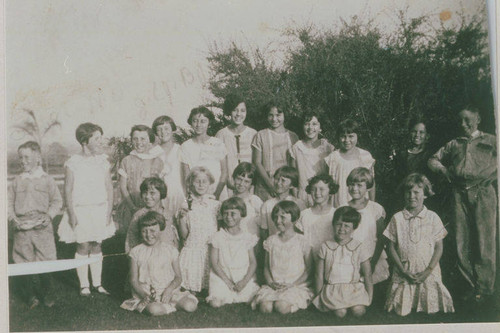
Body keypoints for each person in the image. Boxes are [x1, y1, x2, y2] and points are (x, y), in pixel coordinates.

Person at [428, 107, 497, 302]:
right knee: (461, 239)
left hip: (483, 193)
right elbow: (432, 160)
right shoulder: (454, 144)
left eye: (468, 120)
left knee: (485, 239)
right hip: (458, 193)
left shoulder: (491, 140)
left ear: (478, 119)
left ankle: (485, 289)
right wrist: (443, 170)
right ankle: (469, 286)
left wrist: (491, 176)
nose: (463, 124)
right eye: (460, 121)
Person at [384, 173, 454, 316]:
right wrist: (403, 271)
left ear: (425, 194)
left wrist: (428, 271)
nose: (411, 196)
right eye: (408, 192)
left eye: (416, 192)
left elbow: (439, 247)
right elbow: (390, 247)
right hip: (404, 270)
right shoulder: (397, 218)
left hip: (427, 270)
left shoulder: (433, 217)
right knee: (400, 307)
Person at [58, 123, 115, 296]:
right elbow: (67, 189)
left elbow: (109, 188)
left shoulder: (103, 161)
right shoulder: (73, 163)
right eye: (96, 138)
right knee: (83, 245)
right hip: (81, 210)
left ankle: (97, 284)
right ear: (84, 141)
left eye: (101, 138)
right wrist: (71, 213)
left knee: (97, 244)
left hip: (99, 208)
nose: (101, 141)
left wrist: (109, 211)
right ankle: (84, 285)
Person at [8, 141, 63, 308]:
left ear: (37, 158)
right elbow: (7, 202)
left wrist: (49, 216)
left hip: (42, 227)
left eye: (27, 157)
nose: (22, 161)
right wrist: (12, 219)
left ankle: (47, 293)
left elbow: (57, 201)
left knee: (46, 260)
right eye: (20, 158)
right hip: (22, 228)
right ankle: (31, 296)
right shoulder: (17, 181)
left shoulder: (47, 180)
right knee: (23, 262)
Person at [120, 211, 198, 315]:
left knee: (190, 306)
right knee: (155, 310)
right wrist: (144, 296)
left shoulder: (170, 250)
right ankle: (160, 306)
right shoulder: (136, 251)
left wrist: (169, 290)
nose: (148, 235)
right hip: (147, 294)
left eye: (152, 231)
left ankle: (170, 304)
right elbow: (133, 280)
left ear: (161, 230)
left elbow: (178, 277)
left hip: (168, 292)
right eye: (144, 231)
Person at [251, 201, 314, 314]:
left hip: (294, 285)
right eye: (275, 217)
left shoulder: (302, 241)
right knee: (265, 308)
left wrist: (293, 284)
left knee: (281, 307)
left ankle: (297, 303)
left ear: (294, 219)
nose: (278, 221)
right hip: (275, 284)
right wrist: (270, 283)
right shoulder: (271, 240)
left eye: (283, 217)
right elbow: (266, 267)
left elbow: (309, 269)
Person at [313, 206, 373, 318]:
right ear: (333, 224)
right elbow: (318, 275)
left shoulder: (359, 247)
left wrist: (369, 296)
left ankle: (353, 307)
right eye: (338, 224)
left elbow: (368, 274)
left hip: (354, 289)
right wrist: (318, 297)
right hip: (332, 289)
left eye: (346, 226)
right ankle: (338, 309)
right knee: (340, 313)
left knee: (358, 311)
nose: (341, 229)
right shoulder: (326, 246)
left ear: (354, 228)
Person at [206, 197, 259, 307]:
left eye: (233, 213)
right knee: (215, 303)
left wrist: (244, 281)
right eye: (225, 213)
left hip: (242, 276)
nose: (228, 217)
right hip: (222, 277)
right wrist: (227, 281)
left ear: (242, 214)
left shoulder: (247, 237)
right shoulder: (218, 237)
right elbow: (214, 263)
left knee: (256, 299)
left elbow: (253, 262)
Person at [178, 167, 220, 294]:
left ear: (210, 184)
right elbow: (184, 235)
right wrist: (181, 218)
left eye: (204, 181)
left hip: (210, 248)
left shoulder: (215, 205)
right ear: (190, 183)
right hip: (193, 248)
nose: (201, 184)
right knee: (190, 290)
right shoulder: (186, 205)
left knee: (212, 289)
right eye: (197, 181)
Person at [117, 125, 164, 234]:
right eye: (135, 139)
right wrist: (132, 207)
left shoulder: (157, 161)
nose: (139, 142)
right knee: (133, 235)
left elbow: (160, 189)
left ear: (150, 141)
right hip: (131, 206)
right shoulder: (126, 161)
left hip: (152, 207)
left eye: (143, 139)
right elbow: (123, 187)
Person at [347, 167, 389, 284]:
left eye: (359, 185)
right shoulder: (342, 208)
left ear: (368, 187)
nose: (354, 188)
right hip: (349, 259)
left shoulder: (375, 208)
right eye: (351, 184)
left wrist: (372, 262)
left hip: (372, 256)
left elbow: (381, 238)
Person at [252, 102, 299, 201]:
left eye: (278, 115)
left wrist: (289, 185)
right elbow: (257, 162)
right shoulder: (261, 135)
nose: (274, 119)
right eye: (271, 115)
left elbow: (293, 164)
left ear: (284, 115)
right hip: (265, 186)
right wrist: (270, 184)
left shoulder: (293, 136)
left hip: (285, 187)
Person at [324, 119, 375, 208]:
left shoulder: (365, 156)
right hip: (339, 202)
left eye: (351, 136)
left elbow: (372, 183)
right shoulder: (333, 157)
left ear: (357, 136)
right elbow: (328, 184)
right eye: (343, 136)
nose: (347, 140)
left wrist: (372, 205)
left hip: (361, 203)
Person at [180, 106, 228, 199]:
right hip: (196, 195)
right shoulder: (185, 146)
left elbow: (224, 172)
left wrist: (216, 195)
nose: (198, 125)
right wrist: (193, 197)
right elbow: (187, 177)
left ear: (209, 123)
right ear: (191, 123)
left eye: (203, 121)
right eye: (195, 121)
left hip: (218, 193)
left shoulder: (218, 143)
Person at [288, 113, 334, 206]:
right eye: (306, 124)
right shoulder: (296, 147)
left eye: (314, 124)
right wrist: (295, 192)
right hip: (302, 195)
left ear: (320, 127)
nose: (310, 127)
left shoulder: (327, 147)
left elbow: (332, 173)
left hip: (322, 194)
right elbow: (292, 173)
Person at [216, 94, 257, 196]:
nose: (239, 114)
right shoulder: (221, 134)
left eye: (242, 110)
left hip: (249, 188)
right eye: (235, 110)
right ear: (229, 112)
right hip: (228, 187)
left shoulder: (253, 134)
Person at [125, 177, 179, 253]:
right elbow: (131, 241)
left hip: (166, 257)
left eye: (152, 193)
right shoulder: (138, 216)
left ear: (161, 194)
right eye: (145, 192)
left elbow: (174, 239)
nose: (147, 196)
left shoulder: (168, 215)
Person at [296, 174, 337, 257]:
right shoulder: (304, 215)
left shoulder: (335, 214)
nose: (317, 193)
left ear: (330, 191)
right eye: (314, 189)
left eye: (322, 189)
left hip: (330, 258)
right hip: (308, 259)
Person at [258, 166, 305, 239]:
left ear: (292, 185)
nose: (278, 183)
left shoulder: (299, 203)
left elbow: (302, 229)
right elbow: (264, 231)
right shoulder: (267, 204)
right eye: (276, 179)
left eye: (283, 180)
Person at [152, 115, 185, 217]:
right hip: (160, 198)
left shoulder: (181, 150)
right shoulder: (153, 152)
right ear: (156, 133)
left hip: (179, 194)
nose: (163, 132)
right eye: (159, 129)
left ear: (173, 130)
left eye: (166, 128)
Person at [230, 162, 263, 236]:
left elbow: (263, 225)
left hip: (251, 241)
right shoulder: (229, 201)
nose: (241, 184)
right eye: (239, 179)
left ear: (252, 184)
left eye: (246, 181)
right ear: (234, 178)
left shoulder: (254, 200)